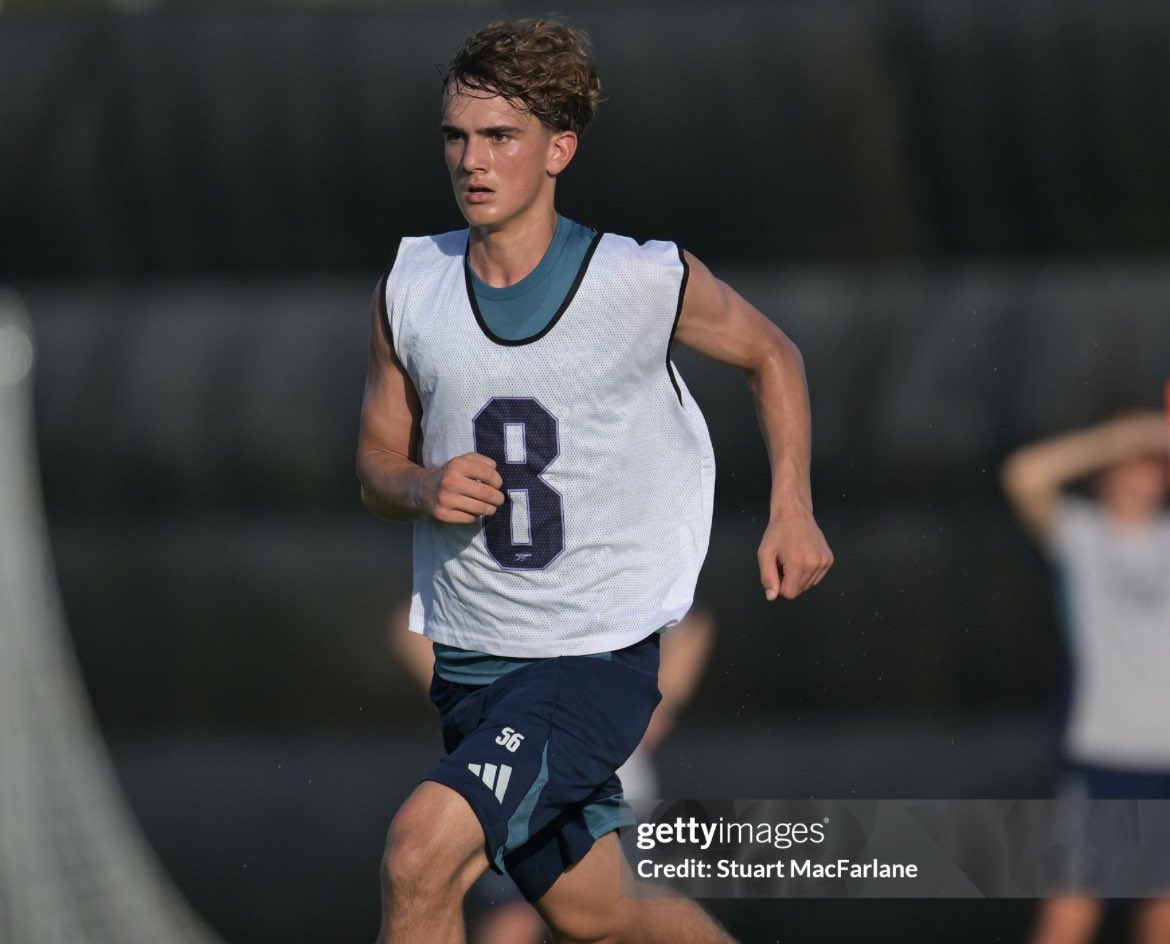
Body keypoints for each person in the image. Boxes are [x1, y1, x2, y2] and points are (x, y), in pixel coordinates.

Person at [357, 18, 833, 944]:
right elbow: (376, 464)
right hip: (472, 667)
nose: (473, 160)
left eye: (502, 137)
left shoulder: (636, 278)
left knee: (418, 854)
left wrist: (793, 506)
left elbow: (773, 353)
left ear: (559, 149)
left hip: (589, 660)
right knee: (605, 912)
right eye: (457, 136)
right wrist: (420, 487)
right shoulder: (410, 284)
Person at [389, 601, 716, 944]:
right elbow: (408, 620)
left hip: (592, 750)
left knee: (419, 861)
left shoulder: (622, 575)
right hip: (512, 743)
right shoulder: (472, 584)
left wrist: (659, 703)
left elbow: (694, 622)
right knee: (602, 918)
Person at [1001, 411, 1170, 944]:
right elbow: (1024, 474)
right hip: (1101, 757)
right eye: (1129, 464)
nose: (1140, 474)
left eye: (1153, 465)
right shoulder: (1082, 535)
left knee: (1162, 921)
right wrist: (1121, 436)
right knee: (1068, 918)